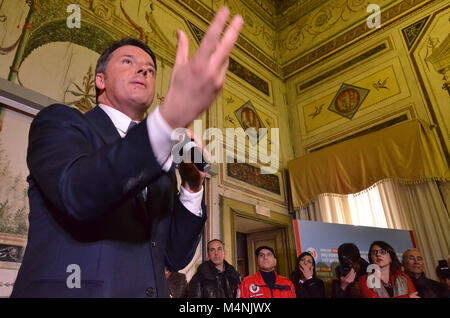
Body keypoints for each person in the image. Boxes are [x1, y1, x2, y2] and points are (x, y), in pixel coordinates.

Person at [11, 7, 243, 297]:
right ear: (100, 80)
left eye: (150, 68)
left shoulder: (159, 165)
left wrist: (193, 188)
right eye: (128, 61)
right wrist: (166, 122)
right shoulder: (59, 123)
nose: (144, 70)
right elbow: (78, 192)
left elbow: (173, 257)